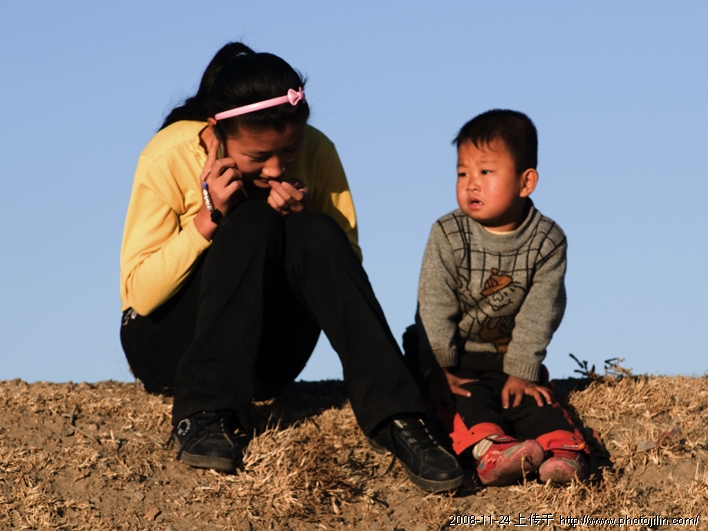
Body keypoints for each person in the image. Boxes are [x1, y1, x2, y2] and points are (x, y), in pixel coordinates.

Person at [119, 42, 463, 493]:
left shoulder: (319, 151)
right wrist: (209, 219)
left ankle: (399, 416)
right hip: (167, 347)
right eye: (258, 157)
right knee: (252, 220)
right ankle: (202, 412)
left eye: (290, 149)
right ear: (217, 132)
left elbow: (344, 273)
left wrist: (301, 219)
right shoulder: (168, 155)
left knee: (314, 229)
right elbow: (140, 295)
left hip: (268, 358)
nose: (276, 168)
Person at [410, 109, 589, 486]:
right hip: (455, 354)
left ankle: (562, 453)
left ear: (526, 182)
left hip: (508, 353)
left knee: (534, 398)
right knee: (465, 399)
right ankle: (492, 450)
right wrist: (438, 368)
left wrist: (522, 369)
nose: (471, 184)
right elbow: (434, 303)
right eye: (463, 173)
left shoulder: (547, 241)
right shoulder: (448, 233)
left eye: (485, 172)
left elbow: (542, 309)